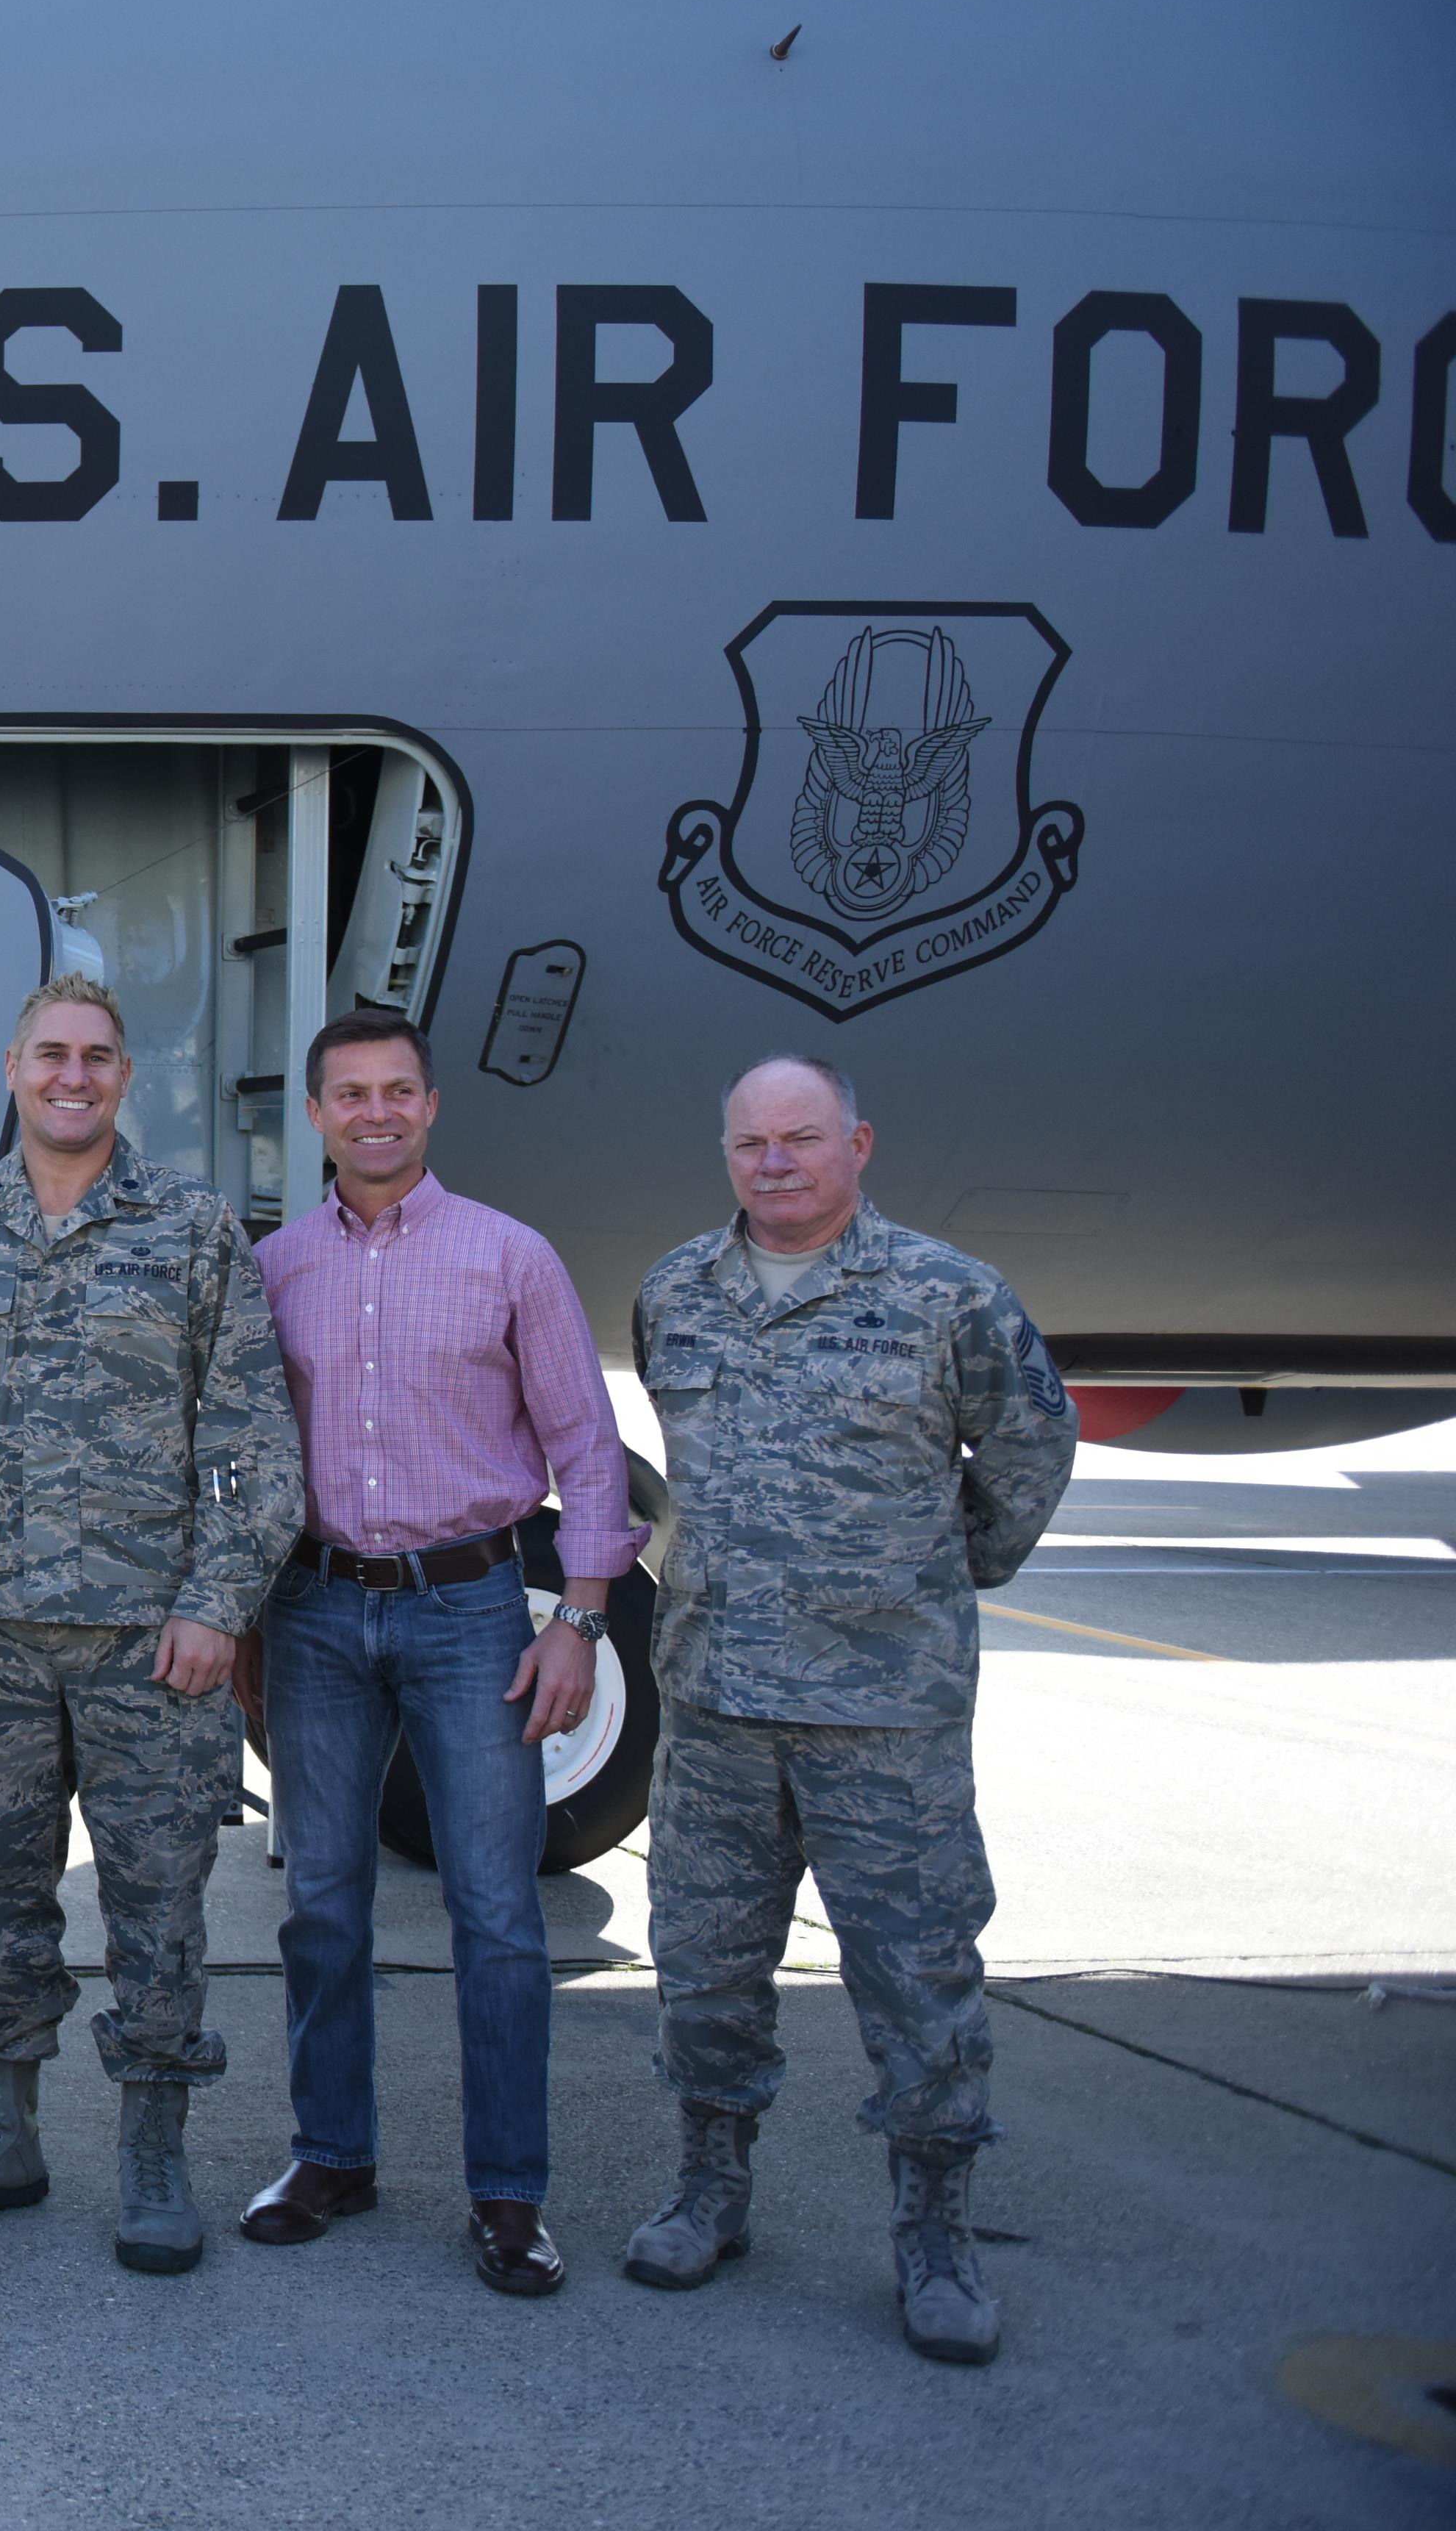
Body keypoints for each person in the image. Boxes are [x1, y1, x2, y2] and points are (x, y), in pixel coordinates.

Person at [622, 1054, 1073, 2364]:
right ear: (727, 1153)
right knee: (706, 1975)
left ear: (858, 1144)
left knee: (918, 1985)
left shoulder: (948, 1296)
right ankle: (711, 2194)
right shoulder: (676, 1294)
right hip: (714, 1713)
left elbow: (1033, 1447)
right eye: (751, 1142)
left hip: (886, 1718)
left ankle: (934, 2240)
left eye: (803, 1138)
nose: (776, 1162)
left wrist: (937, 1577)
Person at [0, 972, 304, 2274]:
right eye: (51, 1054)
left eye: (98, 1057)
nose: (73, 1075)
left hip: (147, 1642)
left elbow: (249, 1441)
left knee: (160, 1907)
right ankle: (2, 2134)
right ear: (12, 1068)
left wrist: (216, 1606)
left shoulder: (188, 1230)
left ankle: (153, 2157)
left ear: (127, 1077)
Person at [242, 1006, 645, 2299]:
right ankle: (332, 2157)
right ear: (315, 1115)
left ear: (430, 1107)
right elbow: (245, 1456)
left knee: (498, 1913)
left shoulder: (509, 1257)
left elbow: (586, 1451)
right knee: (321, 1905)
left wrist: (578, 1619)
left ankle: (510, 2197)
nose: (374, 1112)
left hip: (474, 1608)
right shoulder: (278, 1268)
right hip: (315, 1607)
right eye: (348, 1093)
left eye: (397, 1091)